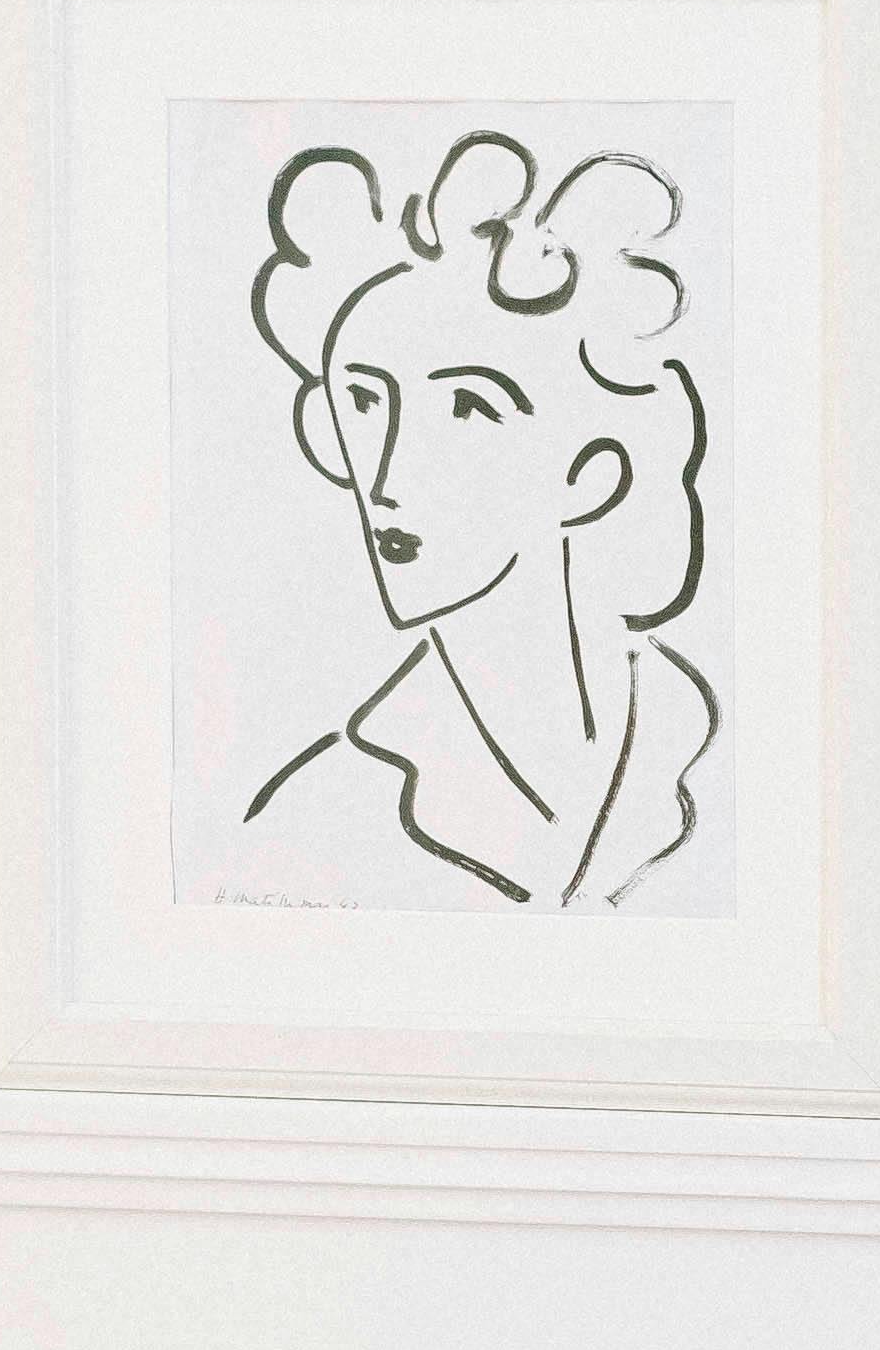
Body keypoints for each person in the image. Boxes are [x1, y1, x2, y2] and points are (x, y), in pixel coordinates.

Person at [232, 129, 719, 909]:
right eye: (363, 401)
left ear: (588, 476)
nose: (388, 475)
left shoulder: (707, 744)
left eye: (466, 407)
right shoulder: (319, 822)